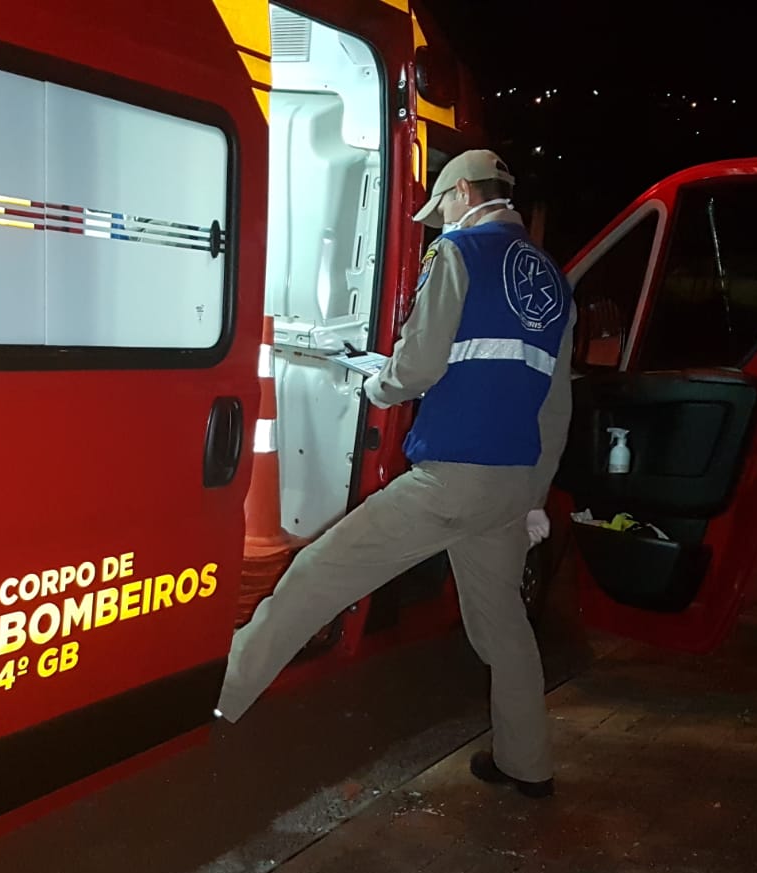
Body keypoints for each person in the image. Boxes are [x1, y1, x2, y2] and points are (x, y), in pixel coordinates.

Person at [216, 149, 575, 799]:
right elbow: (555, 404)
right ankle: (529, 765)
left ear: (464, 193)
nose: (441, 225)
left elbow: (418, 368)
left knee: (315, 575)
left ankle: (223, 697)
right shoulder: (552, 277)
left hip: (449, 480)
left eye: (443, 211)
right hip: (511, 484)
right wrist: (534, 496)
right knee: (504, 627)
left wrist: (378, 386)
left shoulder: (460, 255)